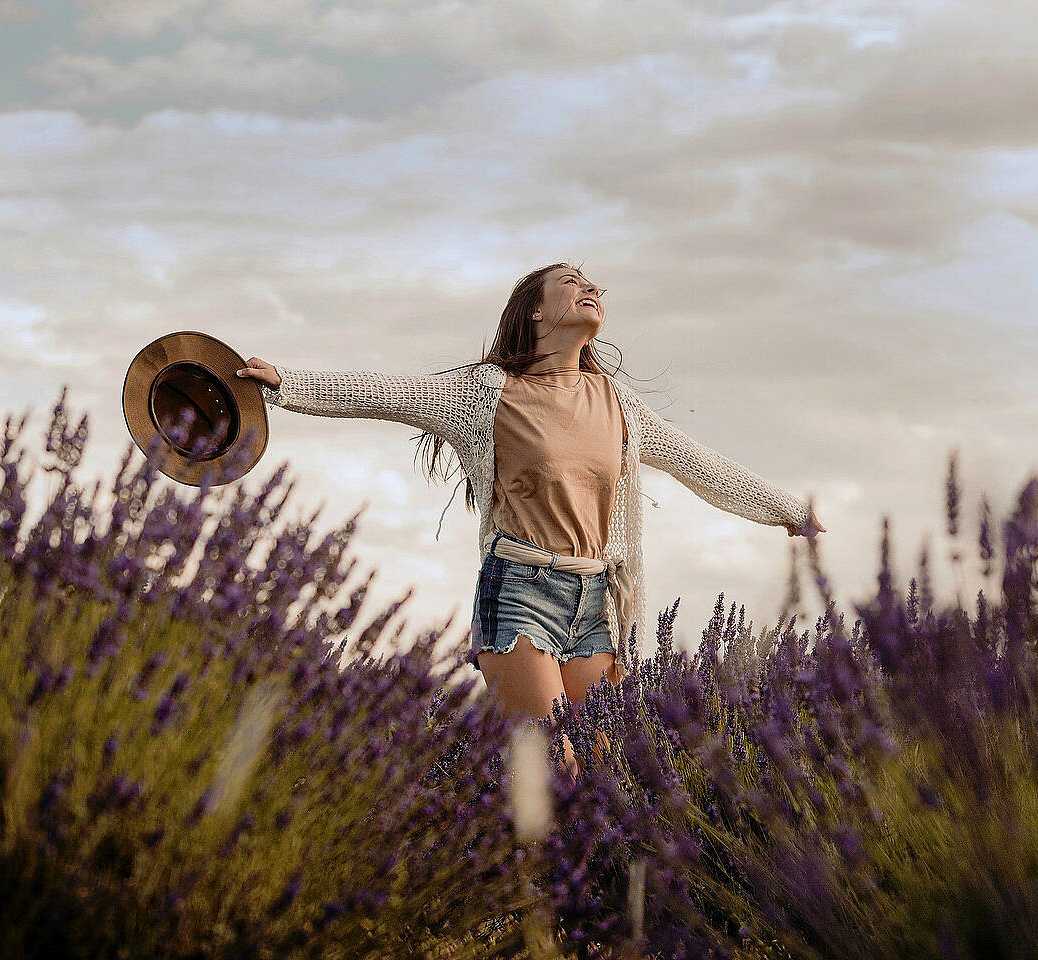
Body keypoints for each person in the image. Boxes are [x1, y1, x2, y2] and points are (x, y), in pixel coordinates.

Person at [237, 262, 825, 782]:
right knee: (554, 765)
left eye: (594, 284)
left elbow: (700, 465)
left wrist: (788, 512)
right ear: (538, 310)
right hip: (519, 591)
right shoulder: (485, 394)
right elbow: (388, 394)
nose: (591, 288)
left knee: (602, 774)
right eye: (573, 283)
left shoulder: (616, 403)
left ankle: (558, 900)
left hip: (596, 602)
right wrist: (288, 385)